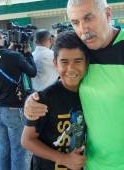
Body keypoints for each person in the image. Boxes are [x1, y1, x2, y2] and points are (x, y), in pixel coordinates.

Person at [24, 0, 124, 169]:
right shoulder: (82, 52)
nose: (83, 29)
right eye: (75, 22)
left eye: (88, 18)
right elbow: (65, 82)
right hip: (93, 164)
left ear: (108, 14)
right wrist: (33, 100)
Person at [21, 31, 87, 170]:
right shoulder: (44, 99)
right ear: (55, 64)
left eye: (78, 61)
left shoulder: (90, 93)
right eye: (64, 62)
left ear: (86, 62)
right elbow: (27, 140)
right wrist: (64, 159)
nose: (71, 68)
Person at [0, 23, 37, 170]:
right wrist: (28, 52)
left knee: (3, 149)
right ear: (0, 36)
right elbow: (32, 72)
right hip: (13, 111)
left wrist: (10, 49)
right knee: (18, 150)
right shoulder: (14, 56)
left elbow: (1, 59)